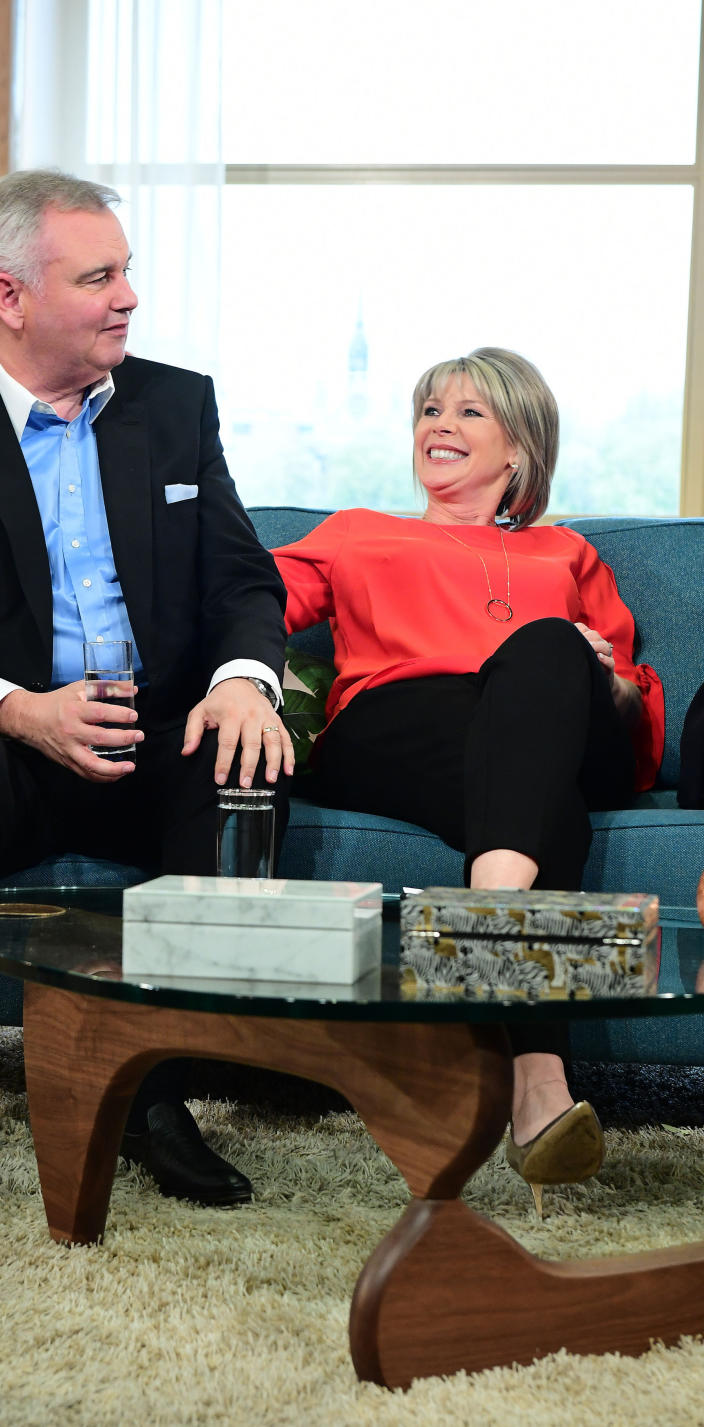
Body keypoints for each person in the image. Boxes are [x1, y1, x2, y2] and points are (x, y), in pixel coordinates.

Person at [0, 169, 294, 1220]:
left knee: (240, 757)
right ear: (11, 296)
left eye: (127, 270)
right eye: (100, 276)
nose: (128, 295)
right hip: (1, 739)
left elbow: (242, 581)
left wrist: (241, 683)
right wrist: (19, 706)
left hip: (149, 723)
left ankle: (159, 1088)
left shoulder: (175, 404)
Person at [272, 347, 664, 1213]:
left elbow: (635, 703)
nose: (439, 425)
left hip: (553, 712)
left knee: (549, 648)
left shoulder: (567, 554)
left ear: (518, 449)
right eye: (429, 410)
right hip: (400, 723)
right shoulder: (353, 532)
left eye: (468, 412)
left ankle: (481, 925)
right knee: (542, 805)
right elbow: (242, 601)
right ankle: (536, 1078)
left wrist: (602, 679)